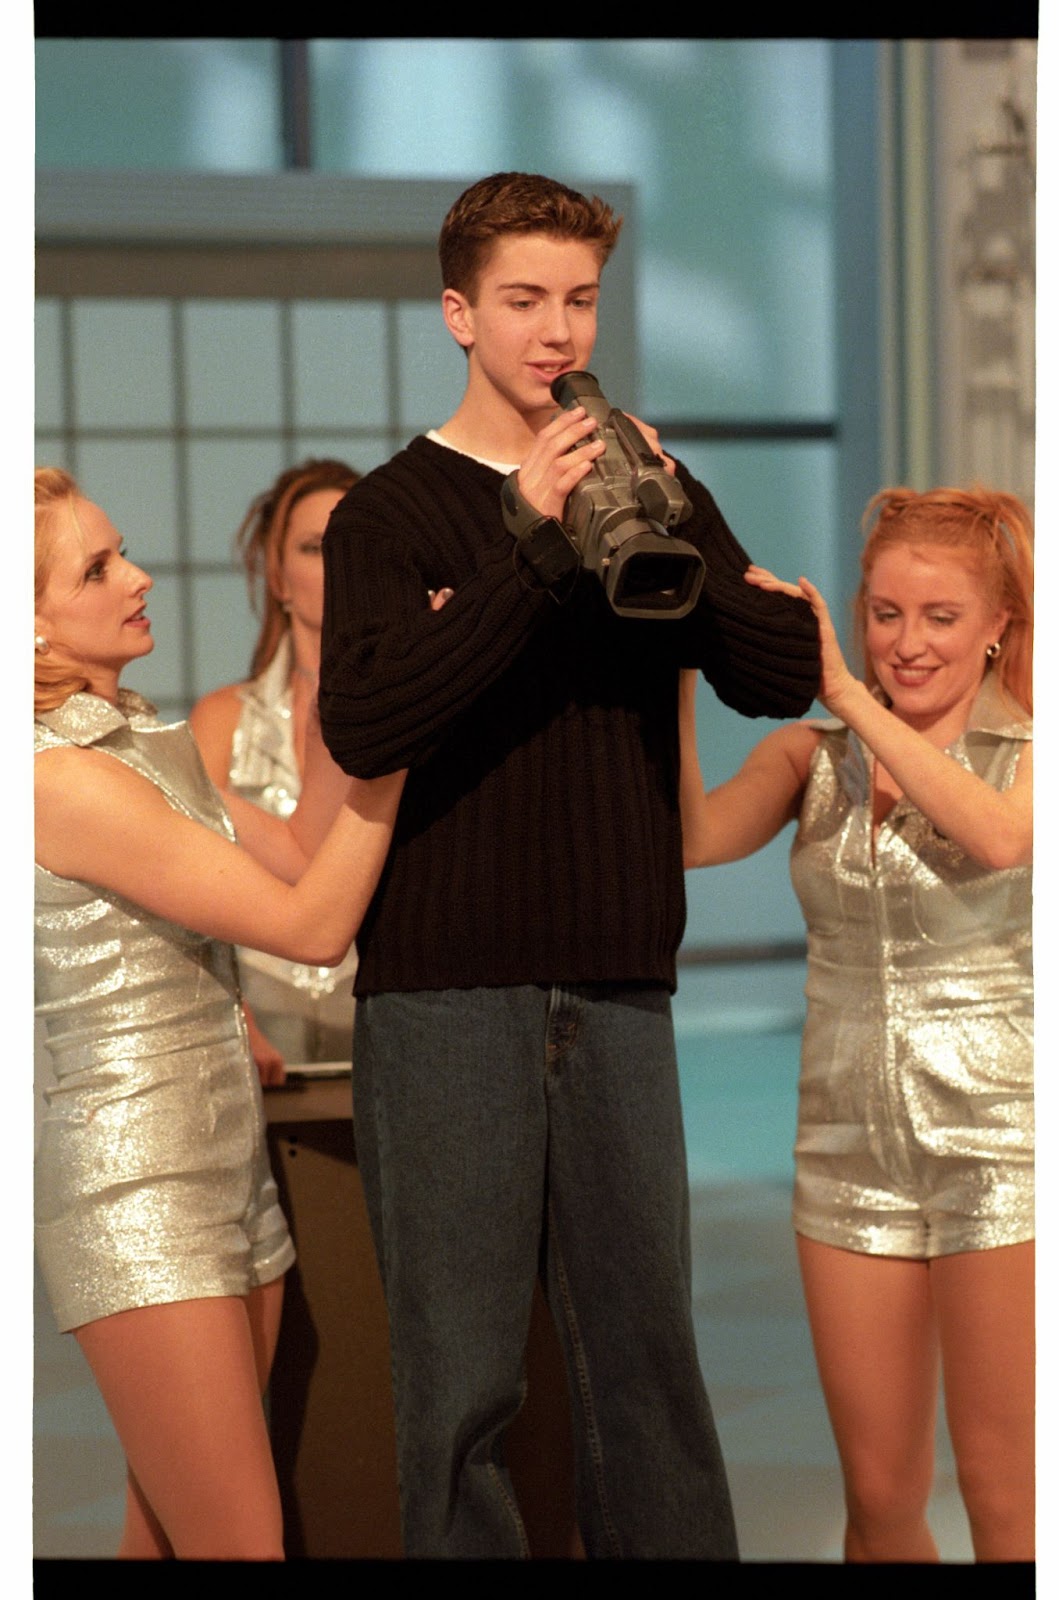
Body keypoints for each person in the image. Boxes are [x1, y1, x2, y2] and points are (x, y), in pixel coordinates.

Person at [317, 170, 821, 1559]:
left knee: (646, 1363)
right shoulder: (388, 513)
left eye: (580, 299)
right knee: (459, 1384)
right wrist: (528, 545)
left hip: (615, 986)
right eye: (524, 300)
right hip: (439, 998)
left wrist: (662, 518)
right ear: (457, 314)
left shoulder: (647, 479)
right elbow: (365, 722)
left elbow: (777, 672)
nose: (556, 330)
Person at [33, 467, 418, 1560]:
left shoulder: (141, 738)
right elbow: (308, 926)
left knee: (160, 1531)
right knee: (240, 1542)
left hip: (221, 1162)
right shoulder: (59, 777)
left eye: (123, 551)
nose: (140, 575)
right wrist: (411, 736)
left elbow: (281, 864)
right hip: (138, 1188)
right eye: (99, 567)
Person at [679, 485, 1033, 1562]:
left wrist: (847, 691)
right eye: (884, 614)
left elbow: (1001, 839)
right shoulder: (809, 758)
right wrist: (675, 659)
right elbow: (691, 835)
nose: (907, 643)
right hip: (845, 1149)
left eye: (939, 617)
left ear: (996, 631)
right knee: (878, 1500)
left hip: (1006, 1144)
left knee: (1005, 1496)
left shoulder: (1030, 754)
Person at [191, 459, 361, 1077]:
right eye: (316, 548)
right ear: (277, 575)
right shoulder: (220, 720)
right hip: (256, 1025)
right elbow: (185, 892)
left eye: (354, 544)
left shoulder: (418, 712)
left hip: (388, 1012)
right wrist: (236, 1017)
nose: (339, 565)